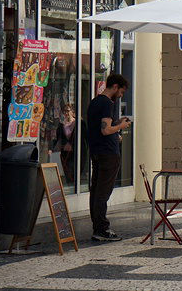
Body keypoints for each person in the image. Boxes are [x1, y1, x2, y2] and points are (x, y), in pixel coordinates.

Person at [86, 73, 131, 242]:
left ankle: (97, 227)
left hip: (97, 151)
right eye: (121, 91)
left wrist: (115, 124)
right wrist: (121, 125)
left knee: (96, 190)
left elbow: (102, 127)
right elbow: (105, 130)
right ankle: (102, 229)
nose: (121, 95)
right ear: (115, 86)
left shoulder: (95, 102)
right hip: (108, 154)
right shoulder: (106, 103)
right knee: (103, 193)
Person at [53, 103, 77, 184]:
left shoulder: (77, 123)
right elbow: (59, 138)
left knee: (73, 171)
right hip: (65, 152)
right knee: (67, 171)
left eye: (67, 111)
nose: (66, 113)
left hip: (74, 153)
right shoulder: (62, 124)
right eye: (64, 111)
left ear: (72, 111)